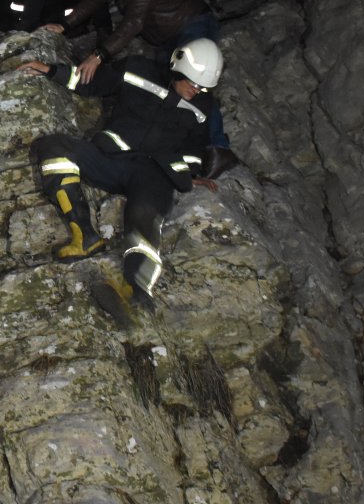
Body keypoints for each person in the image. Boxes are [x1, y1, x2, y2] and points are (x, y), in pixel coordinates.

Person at [19, 39, 225, 319]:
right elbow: (92, 82)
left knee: (144, 219)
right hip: (111, 159)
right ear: (177, 68)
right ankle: (84, 236)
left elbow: (194, 150)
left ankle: (137, 292)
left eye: (203, 87)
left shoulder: (204, 106)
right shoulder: (137, 69)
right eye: (192, 82)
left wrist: (189, 174)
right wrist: (51, 70)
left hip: (154, 174)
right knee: (53, 147)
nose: (196, 90)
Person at [40, 0, 237, 177]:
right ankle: (165, 136)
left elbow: (133, 23)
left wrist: (98, 55)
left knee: (195, 80)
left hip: (192, 23)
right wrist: (65, 24)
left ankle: (218, 149)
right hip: (168, 35)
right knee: (166, 81)